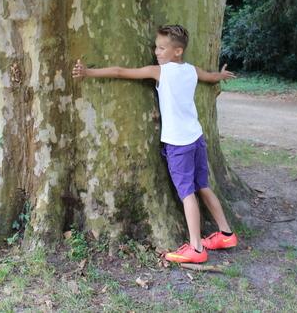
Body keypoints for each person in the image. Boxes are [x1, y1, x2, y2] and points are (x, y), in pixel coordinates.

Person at [72, 24, 238, 264]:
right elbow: (209, 77)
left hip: (178, 144)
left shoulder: (160, 72)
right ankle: (226, 234)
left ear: (177, 51)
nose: (156, 52)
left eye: (162, 48)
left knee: (187, 194)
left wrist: (89, 73)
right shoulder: (191, 70)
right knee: (203, 186)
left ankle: (196, 248)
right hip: (196, 138)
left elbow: (120, 71)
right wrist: (220, 76)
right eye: (156, 48)